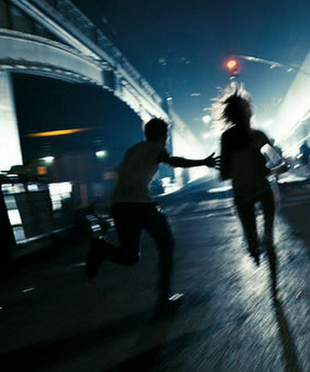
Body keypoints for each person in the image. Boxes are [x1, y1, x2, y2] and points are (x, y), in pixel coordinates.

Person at [85, 118, 219, 313]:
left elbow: (121, 174)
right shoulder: (156, 148)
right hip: (140, 206)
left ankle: (102, 248)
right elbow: (174, 162)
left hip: (120, 206)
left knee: (130, 256)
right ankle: (164, 296)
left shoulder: (133, 150)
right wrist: (204, 162)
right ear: (164, 136)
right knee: (167, 244)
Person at [217, 87, 287, 296]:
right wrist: (272, 167)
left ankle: (255, 251)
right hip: (263, 190)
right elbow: (277, 164)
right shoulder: (259, 136)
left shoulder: (227, 138)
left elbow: (224, 174)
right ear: (249, 112)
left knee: (253, 239)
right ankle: (274, 287)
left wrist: (240, 169)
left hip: (242, 193)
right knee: (269, 238)